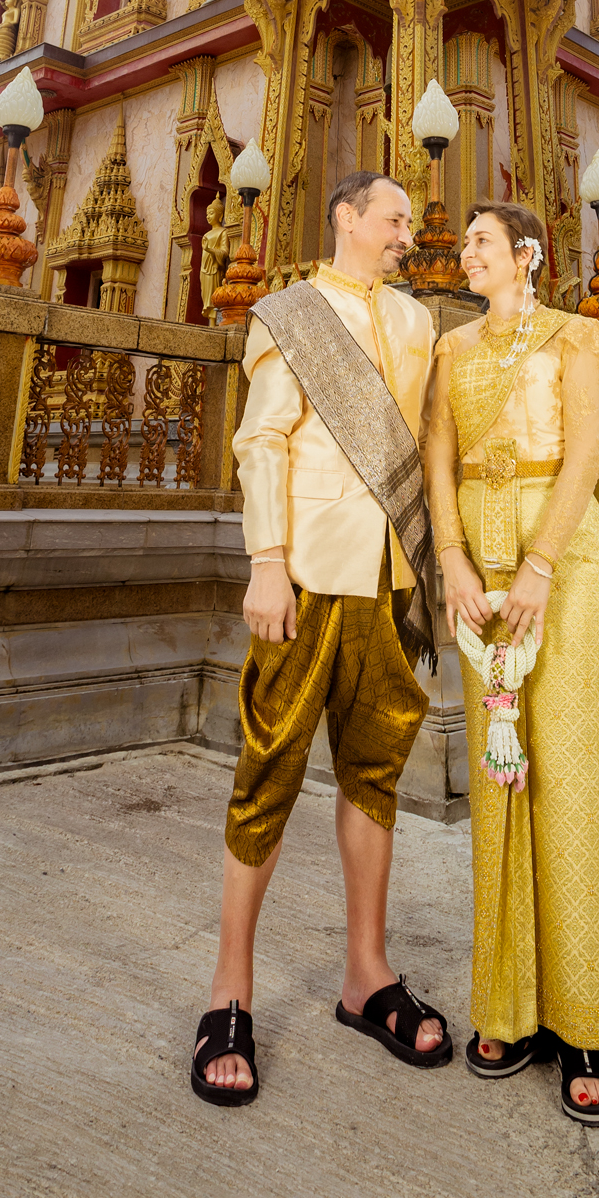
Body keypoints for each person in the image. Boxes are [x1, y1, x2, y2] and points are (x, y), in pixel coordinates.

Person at [425, 200, 599, 1125]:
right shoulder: (451, 349)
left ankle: (586, 1021)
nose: (466, 253)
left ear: (527, 256)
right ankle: (508, 1003)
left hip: (564, 553)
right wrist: (454, 561)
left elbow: (586, 448)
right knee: (500, 773)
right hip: (479, 554)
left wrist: (542, 562)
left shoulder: (579, 335)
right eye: (465, 241)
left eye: (481, 241)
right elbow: (436, 460)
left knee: (572, 775)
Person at [189, 170, 453, 1106]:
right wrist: (265, 560)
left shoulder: (420, 324)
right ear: (347, 218)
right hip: (302, 577)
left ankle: (366, 975)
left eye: (410, 225)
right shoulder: (288, 315)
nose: (405, 236)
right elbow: (260, 442)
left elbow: (429, 445)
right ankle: (229, 994)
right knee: (269, 770)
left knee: (374, 771)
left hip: (389, 579)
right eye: (394, 219)